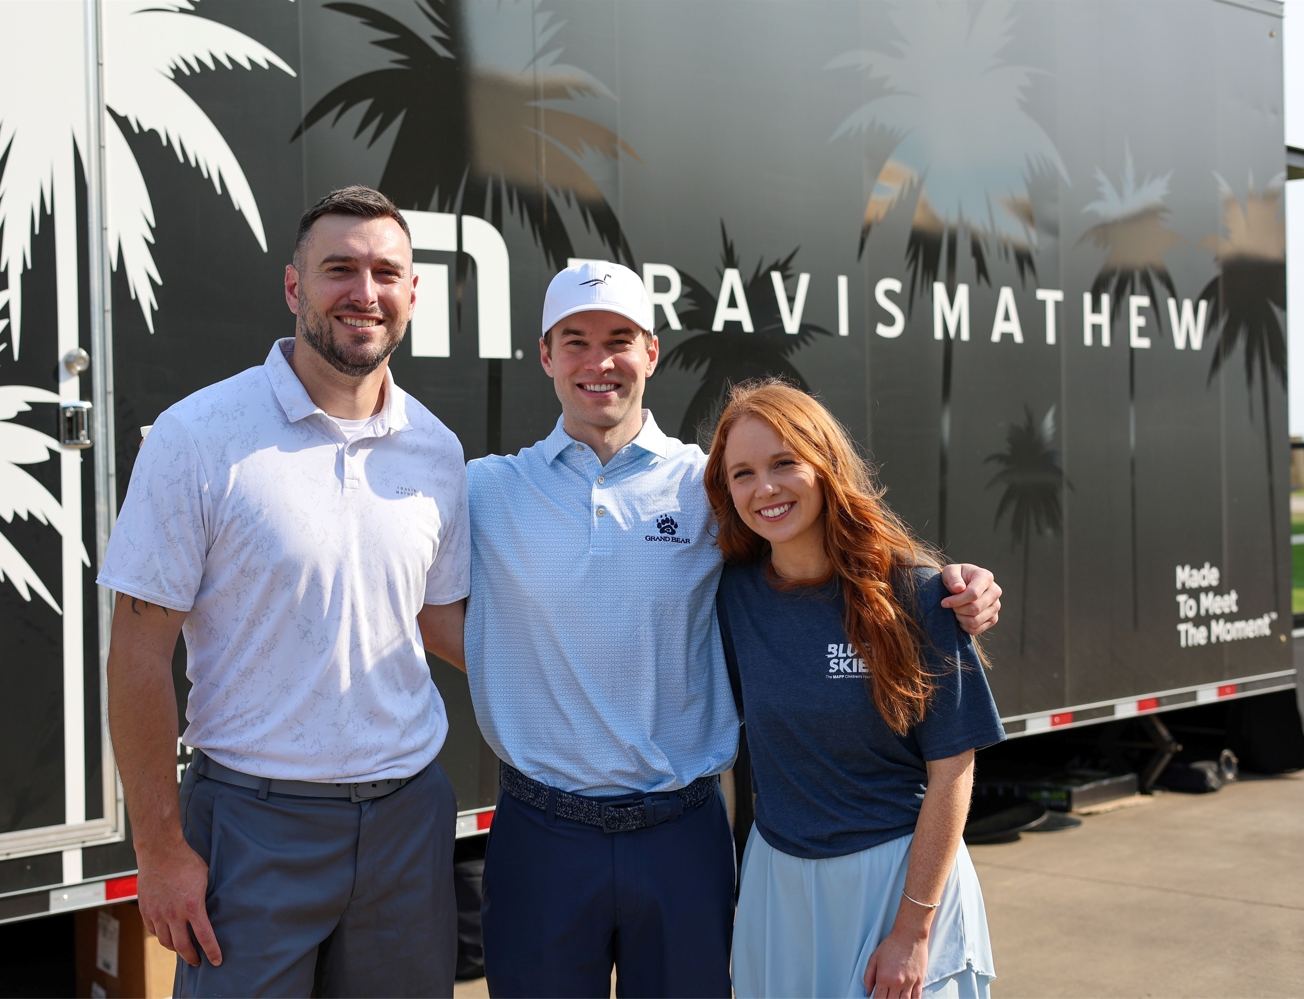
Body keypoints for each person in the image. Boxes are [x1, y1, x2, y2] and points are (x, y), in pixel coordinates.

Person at [418, 261, 1002, 998]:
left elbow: (830, 556)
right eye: (575, 341)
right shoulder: (487, 489)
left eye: (619, 339)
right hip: (542, 831)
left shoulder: (711, 486)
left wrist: (953, 582)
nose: (598, 362)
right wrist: (522, 667)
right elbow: (417, 597)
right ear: (545, 355)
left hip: (682, 833)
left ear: (652, 352)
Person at [98, 186, 471, 997]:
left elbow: (440, 620)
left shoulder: (436, 451)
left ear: (413, 294)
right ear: (295, 287)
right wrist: (159, 850)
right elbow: (137, 650)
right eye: (339, 269)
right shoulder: (200, 437)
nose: (363, 293)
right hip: (252, 825)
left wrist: (587, 692)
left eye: (385, 272)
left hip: (408, 822)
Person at [705, 380, 1005, 999]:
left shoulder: (920, 595)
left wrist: (913, 931)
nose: (765, 488)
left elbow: (953, 772)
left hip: (896, 884)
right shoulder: (732, 596)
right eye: (743, 473)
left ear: (825, 464)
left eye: (784, 462)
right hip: (777, 884)